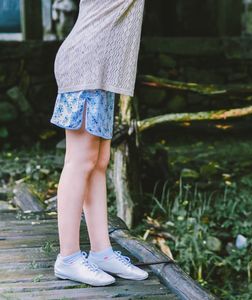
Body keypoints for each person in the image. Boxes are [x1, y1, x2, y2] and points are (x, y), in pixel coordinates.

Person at [49, 0, 148, 286]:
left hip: (102, 70)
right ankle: (67, 258)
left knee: (98, 162)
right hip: (87, 67)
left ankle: (101, 251)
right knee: (80, 161)